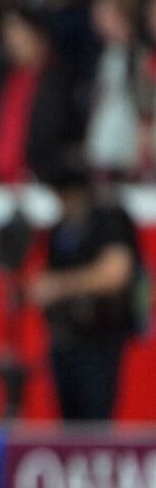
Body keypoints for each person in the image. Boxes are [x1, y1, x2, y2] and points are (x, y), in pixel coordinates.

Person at [29, 168, 144, 421]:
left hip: (100, 337)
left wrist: (59, 286)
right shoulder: (59, 229)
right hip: (64, 337)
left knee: (96, 415)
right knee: (69, 417)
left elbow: (115, 273)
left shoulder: (109, 220)